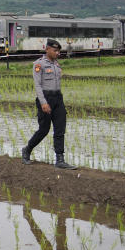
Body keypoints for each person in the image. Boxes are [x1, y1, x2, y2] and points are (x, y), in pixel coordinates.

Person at [21, 39, 78, 169]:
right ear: (47, 49)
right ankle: (27, 149)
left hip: (58, 98)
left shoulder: (57, 65)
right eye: (55, 50)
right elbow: (37, 85)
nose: (58, 53)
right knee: (44, 130)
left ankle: (60, 159)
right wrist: (43, 103)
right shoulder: (39, 64)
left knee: (60, 129)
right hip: (45, 99)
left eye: (59, 51)